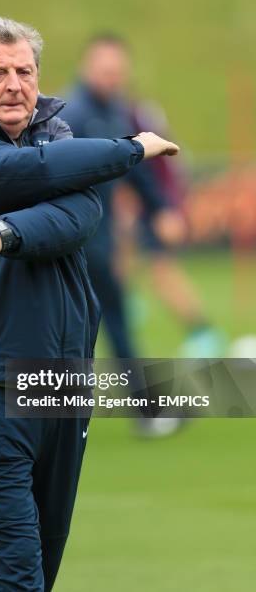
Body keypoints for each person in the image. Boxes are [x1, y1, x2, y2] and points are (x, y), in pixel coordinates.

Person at [0, 16, 179, 591]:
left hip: (64, 384)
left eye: (24, 72)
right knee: (17, 577)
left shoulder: (57, 137)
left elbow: (80, 215)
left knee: (41, 573)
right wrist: (131, 148)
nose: (14, 84)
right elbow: (21, 172)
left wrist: (1, 233)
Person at [60, 33, 223, 437]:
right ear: (87, 67)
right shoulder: (71, 114)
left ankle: (137, 409)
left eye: (117, 70)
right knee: (87, 322)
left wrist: (160, 209)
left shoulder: (117, 110)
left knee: (98, 321)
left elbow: (137, 166)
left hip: (98, 237)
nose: (111, 77)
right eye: (105, 69)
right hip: (71, 237)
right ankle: (141, 410)